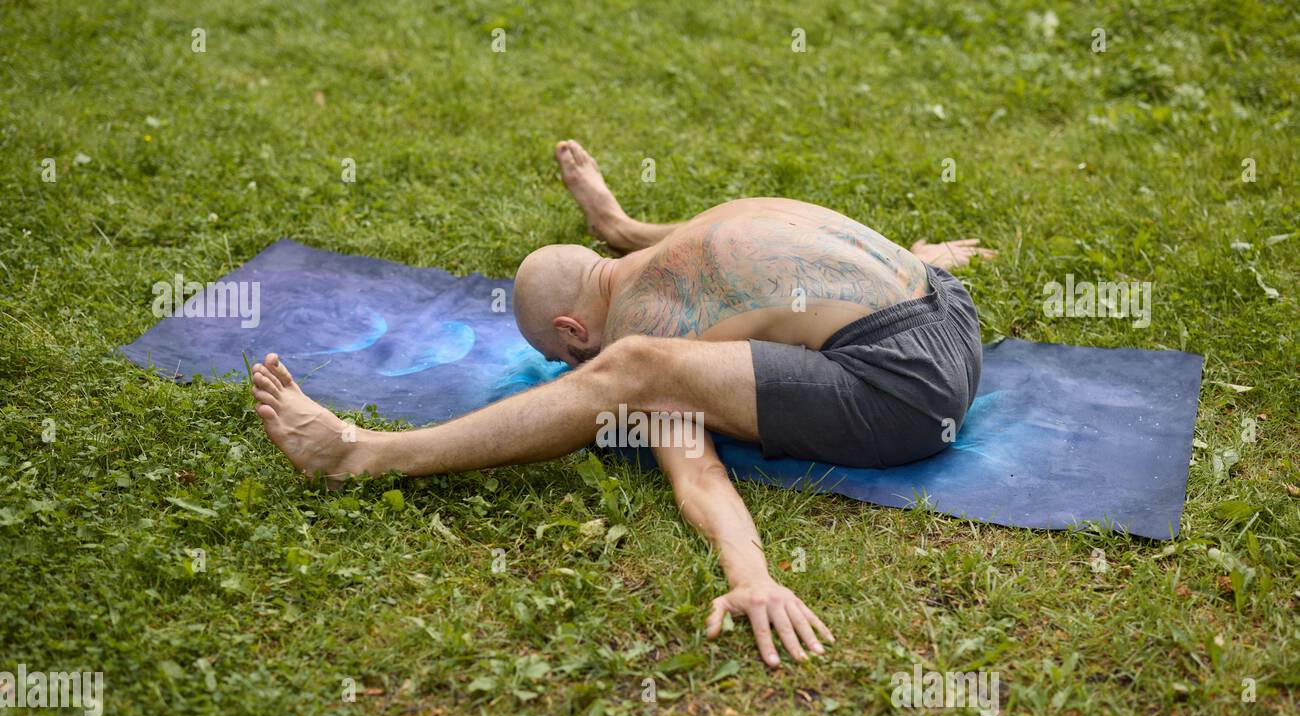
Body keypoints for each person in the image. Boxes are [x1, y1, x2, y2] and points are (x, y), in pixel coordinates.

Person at [250, 141, 995, 667]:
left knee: (639, 366)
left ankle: (360, 454)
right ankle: (616, 219)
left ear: (574, 331)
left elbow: (698, 475)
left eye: (562, 361)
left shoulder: (643, 323)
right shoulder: (702, 229)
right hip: (948, 307)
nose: (573, 368)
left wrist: (751, 574)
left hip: (909, 388)